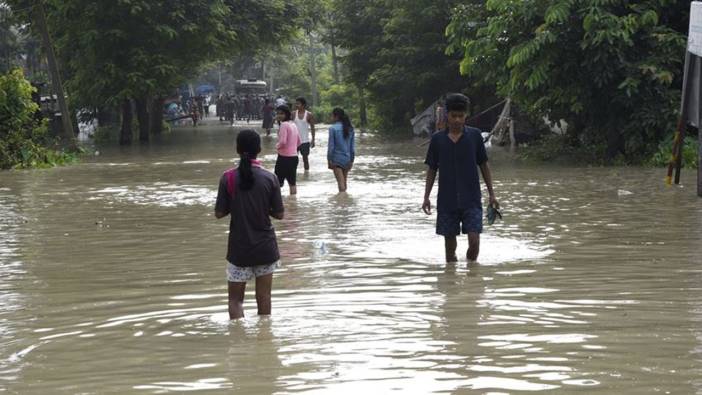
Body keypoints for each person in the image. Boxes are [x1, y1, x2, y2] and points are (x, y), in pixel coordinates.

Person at [215, 129, 285, 319]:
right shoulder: (270, 178)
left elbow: (219, 213)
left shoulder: (228, 178)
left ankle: (238, 343)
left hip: (239, 249)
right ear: (259, 149)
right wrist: (262, 208)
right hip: (265, 248)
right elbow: (280, 214)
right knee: (264, 298)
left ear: (237, 149)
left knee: (235, 301)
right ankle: (264, 342)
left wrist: (237, 205)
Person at [422, 93, 498, 264]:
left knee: (474, 241)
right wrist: (426, 197)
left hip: (471, 199)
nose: (457, 120)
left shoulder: (475, 136)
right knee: (450, 253)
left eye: (460, 116)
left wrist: (492, 194)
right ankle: (452, 283)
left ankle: (472, 276)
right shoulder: (437, 140)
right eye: (453, 116)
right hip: (447, 201)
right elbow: (432, 169)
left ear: (466, 116)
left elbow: (484, 165)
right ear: (447, 115)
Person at [274, 105, 301, 195]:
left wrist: (276, 146)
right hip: (294, 158)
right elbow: (299, 142)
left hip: (283, 158)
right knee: (292, 182)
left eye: (281, 113)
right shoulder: (293, 124)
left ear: (287, 114)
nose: (279, 115)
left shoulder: (284, 125)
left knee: (277, 183)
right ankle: (293, 204)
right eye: (277, 113)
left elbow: (282, 142)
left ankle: (276, 204)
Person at [327, 107, 355, 193]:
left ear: (336, 116)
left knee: (340, 183)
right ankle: (345, 203)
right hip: (347, 158)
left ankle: (342, 202)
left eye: (332, 115)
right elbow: (352, 148)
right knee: (344, 182)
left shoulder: (333, 128)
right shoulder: (350, 128)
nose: (331, 117)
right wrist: (351, 160)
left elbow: (331, 146)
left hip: (336, 159)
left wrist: (329, 159)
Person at [293, 97, 316, 171]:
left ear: (303, 105)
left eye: (298, 104)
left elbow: (312, 128)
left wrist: (313, 140)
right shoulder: (293, 114)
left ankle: (306, 174)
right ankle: (293, 174)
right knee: (293, 159)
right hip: (294, 141)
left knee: (305, 159)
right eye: (296, 103)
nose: (296, 105)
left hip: (305, 141)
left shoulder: (309, 114)